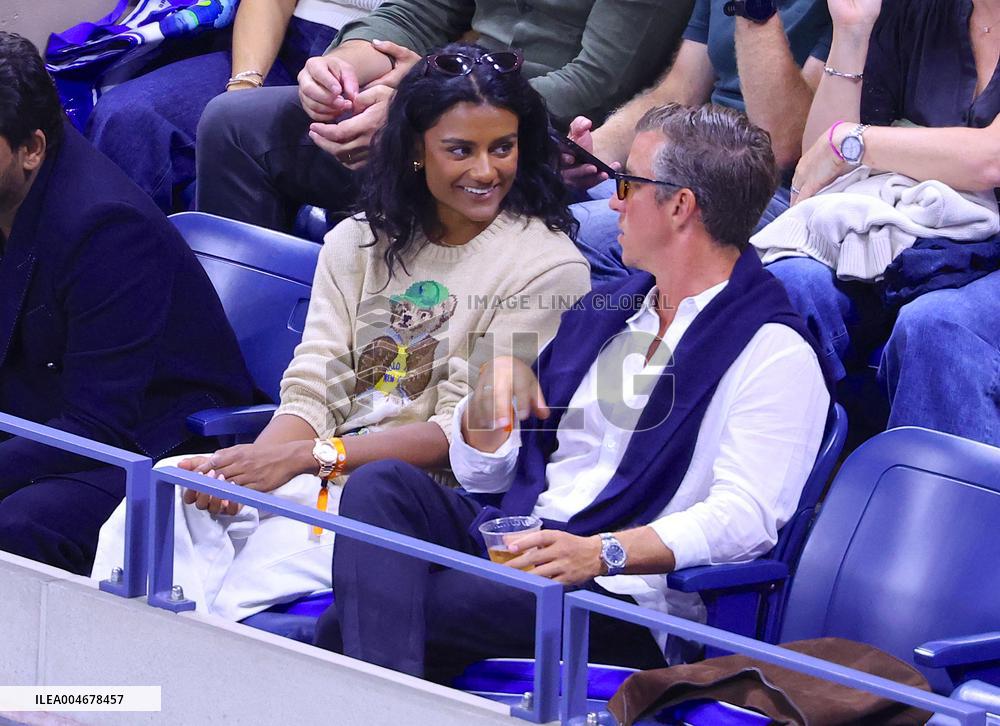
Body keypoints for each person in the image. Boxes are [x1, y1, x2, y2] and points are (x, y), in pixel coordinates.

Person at [314, 103, 832, 682]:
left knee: (346, 627)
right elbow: (491, 478)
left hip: (619, 597)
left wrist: (603, 550)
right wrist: (486, 416)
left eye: (629, 184)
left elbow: (746, 519)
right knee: (382, 486)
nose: (613, 202)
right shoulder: (614, 314)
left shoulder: (773, 352)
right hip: (528, 540)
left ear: (680, 205)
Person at [93, 43, 592, 620]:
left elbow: (461, 437)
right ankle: (119, 688)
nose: (486, 171)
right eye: (460, 150)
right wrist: (248, 472)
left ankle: (150, 691)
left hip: (409, 503)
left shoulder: (548, 268)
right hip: (319, 469)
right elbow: (313, 385)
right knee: (165, 491)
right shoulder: (358, 240)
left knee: (219, 598)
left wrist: (307, 460)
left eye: (502, 148)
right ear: (414, 150)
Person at [0, 32, 256, 576]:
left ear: (32, 149)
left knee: (17, 524)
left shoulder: (106, 229)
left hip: (145, 440)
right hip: (38, 415)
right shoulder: (10, 188)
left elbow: (99, 425)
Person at [193, 0, 694, 233]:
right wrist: (339, 70)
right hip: (447, 89)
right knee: (235, 123)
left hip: (539, 137)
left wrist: (430, 107)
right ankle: (225, 376)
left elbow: (594, 82)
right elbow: (415, 13)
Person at [762, 0, 1000, 447]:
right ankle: (759, 502)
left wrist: (856, 141)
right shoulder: (920, 11)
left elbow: (991, 159)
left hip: (974, 254)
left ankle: (938, 515)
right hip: (927, 234)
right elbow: (819, 162)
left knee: (938, 328)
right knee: (790, 284)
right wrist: (852, 31)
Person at [565, 0, 832, 283]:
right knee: (538, 202)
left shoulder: (841, 9)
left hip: (771, 189)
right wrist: (585, 152)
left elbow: (781, 146)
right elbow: (681, 88)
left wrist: (753, 9)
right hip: (687, 161)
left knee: (575, 234)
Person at [86, 0, 382, 214]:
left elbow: (415, 27)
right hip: (283, 42)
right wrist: (244, 87)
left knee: (239, 148)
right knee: (127, 118)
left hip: (380, 67)